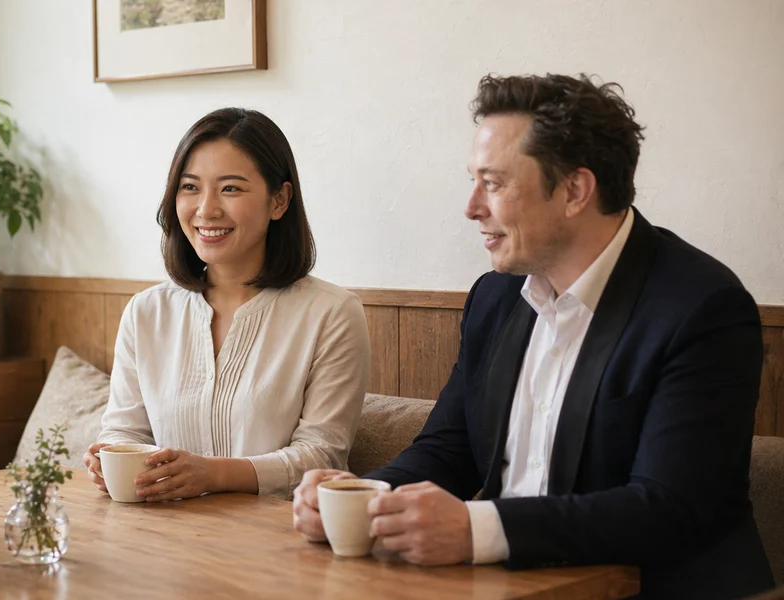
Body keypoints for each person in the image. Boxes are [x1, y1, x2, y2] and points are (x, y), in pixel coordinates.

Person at [292, 74, 774, 599]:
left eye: (493, 183)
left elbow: (667, 508)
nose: (471, 207)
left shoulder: (701, 308)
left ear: (573, 191)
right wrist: (362, 496)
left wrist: (475, 529)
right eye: (472, 181)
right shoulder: (494, 298)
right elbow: (450, 449)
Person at [83, 107, 371, 501]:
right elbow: (125, 432)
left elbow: (322, 456)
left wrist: (213, 474)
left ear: (279, 200)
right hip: (161, 536)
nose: (206, 209)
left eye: (230, 188)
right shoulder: (146, 312)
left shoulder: (332, 313)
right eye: (190, 187)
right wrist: (109, 459)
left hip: (281, 542)